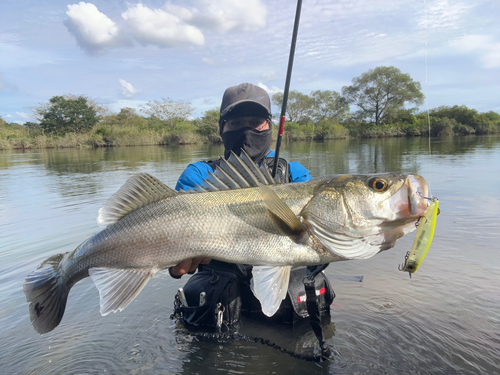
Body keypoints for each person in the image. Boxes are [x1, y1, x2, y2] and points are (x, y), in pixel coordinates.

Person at [170, 83, 333, 328]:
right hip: (221, 310)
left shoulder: (293, 174)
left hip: (288, 309)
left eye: (255, 122)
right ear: (222, 129)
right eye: (236, 123)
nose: (246, 131)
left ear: (270, 127)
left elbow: (323, 227)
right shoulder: (200, 174)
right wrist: (174, 261)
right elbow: (173, 231)